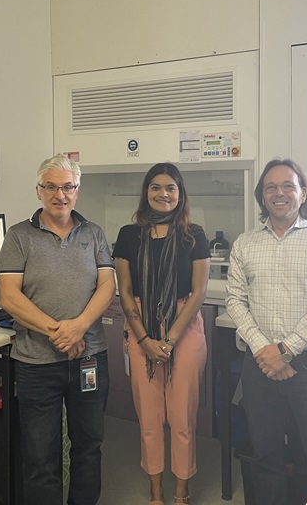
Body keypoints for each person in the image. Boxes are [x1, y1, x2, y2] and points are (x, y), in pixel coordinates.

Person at [225, 158, 307, 504]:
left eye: (287, 186)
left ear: (303, 192)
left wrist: (284, 350)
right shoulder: (245, 244)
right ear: (262, 196)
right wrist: (265, 350)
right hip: (259, 368)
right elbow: (235, 301)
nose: (279, 193)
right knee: (264, 457)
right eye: (270, 187)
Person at [0, 154, 115, 505]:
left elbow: (107, 286)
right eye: (51, 187)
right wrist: (58, 332)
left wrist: (78, 328)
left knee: (88, 448)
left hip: (89, 359)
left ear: (77, 191)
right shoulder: (19, 236)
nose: (59, 195)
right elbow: (7, 295)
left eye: (67, 187)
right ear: (39, 191)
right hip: (36, 364)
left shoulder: (93, 233)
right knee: (39, 457)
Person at [113, 163, 210, 505]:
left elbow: (198, 294)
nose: (163, 194)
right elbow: (124, 291)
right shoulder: (128, 235)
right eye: (155, 187)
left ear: (180, 194)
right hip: (142, 331)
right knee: (150, 419)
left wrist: (168, 340)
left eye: (171, 187)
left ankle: (181, 494)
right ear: (146, 192)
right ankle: (156, 494)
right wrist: (144, 339)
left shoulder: (194, 235)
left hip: (184, 329)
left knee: (182, 419)